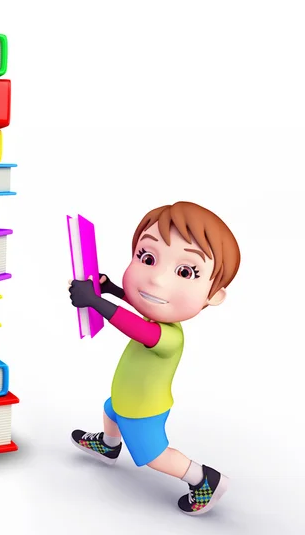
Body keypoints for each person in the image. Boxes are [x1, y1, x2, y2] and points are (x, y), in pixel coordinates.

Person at [68, 201, 240, 515]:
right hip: (127, 400)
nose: (157, 279)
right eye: (147, 258)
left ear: (214, 295)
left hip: (143, 410)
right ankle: (108, 445)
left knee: (154, 454)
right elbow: (143, 306)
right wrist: (113, 290)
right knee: (110, 409)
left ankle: (204, 480)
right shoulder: (159, 321)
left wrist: (94, 301)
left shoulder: (169, 337)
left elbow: (132, 324)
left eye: (186, 271)